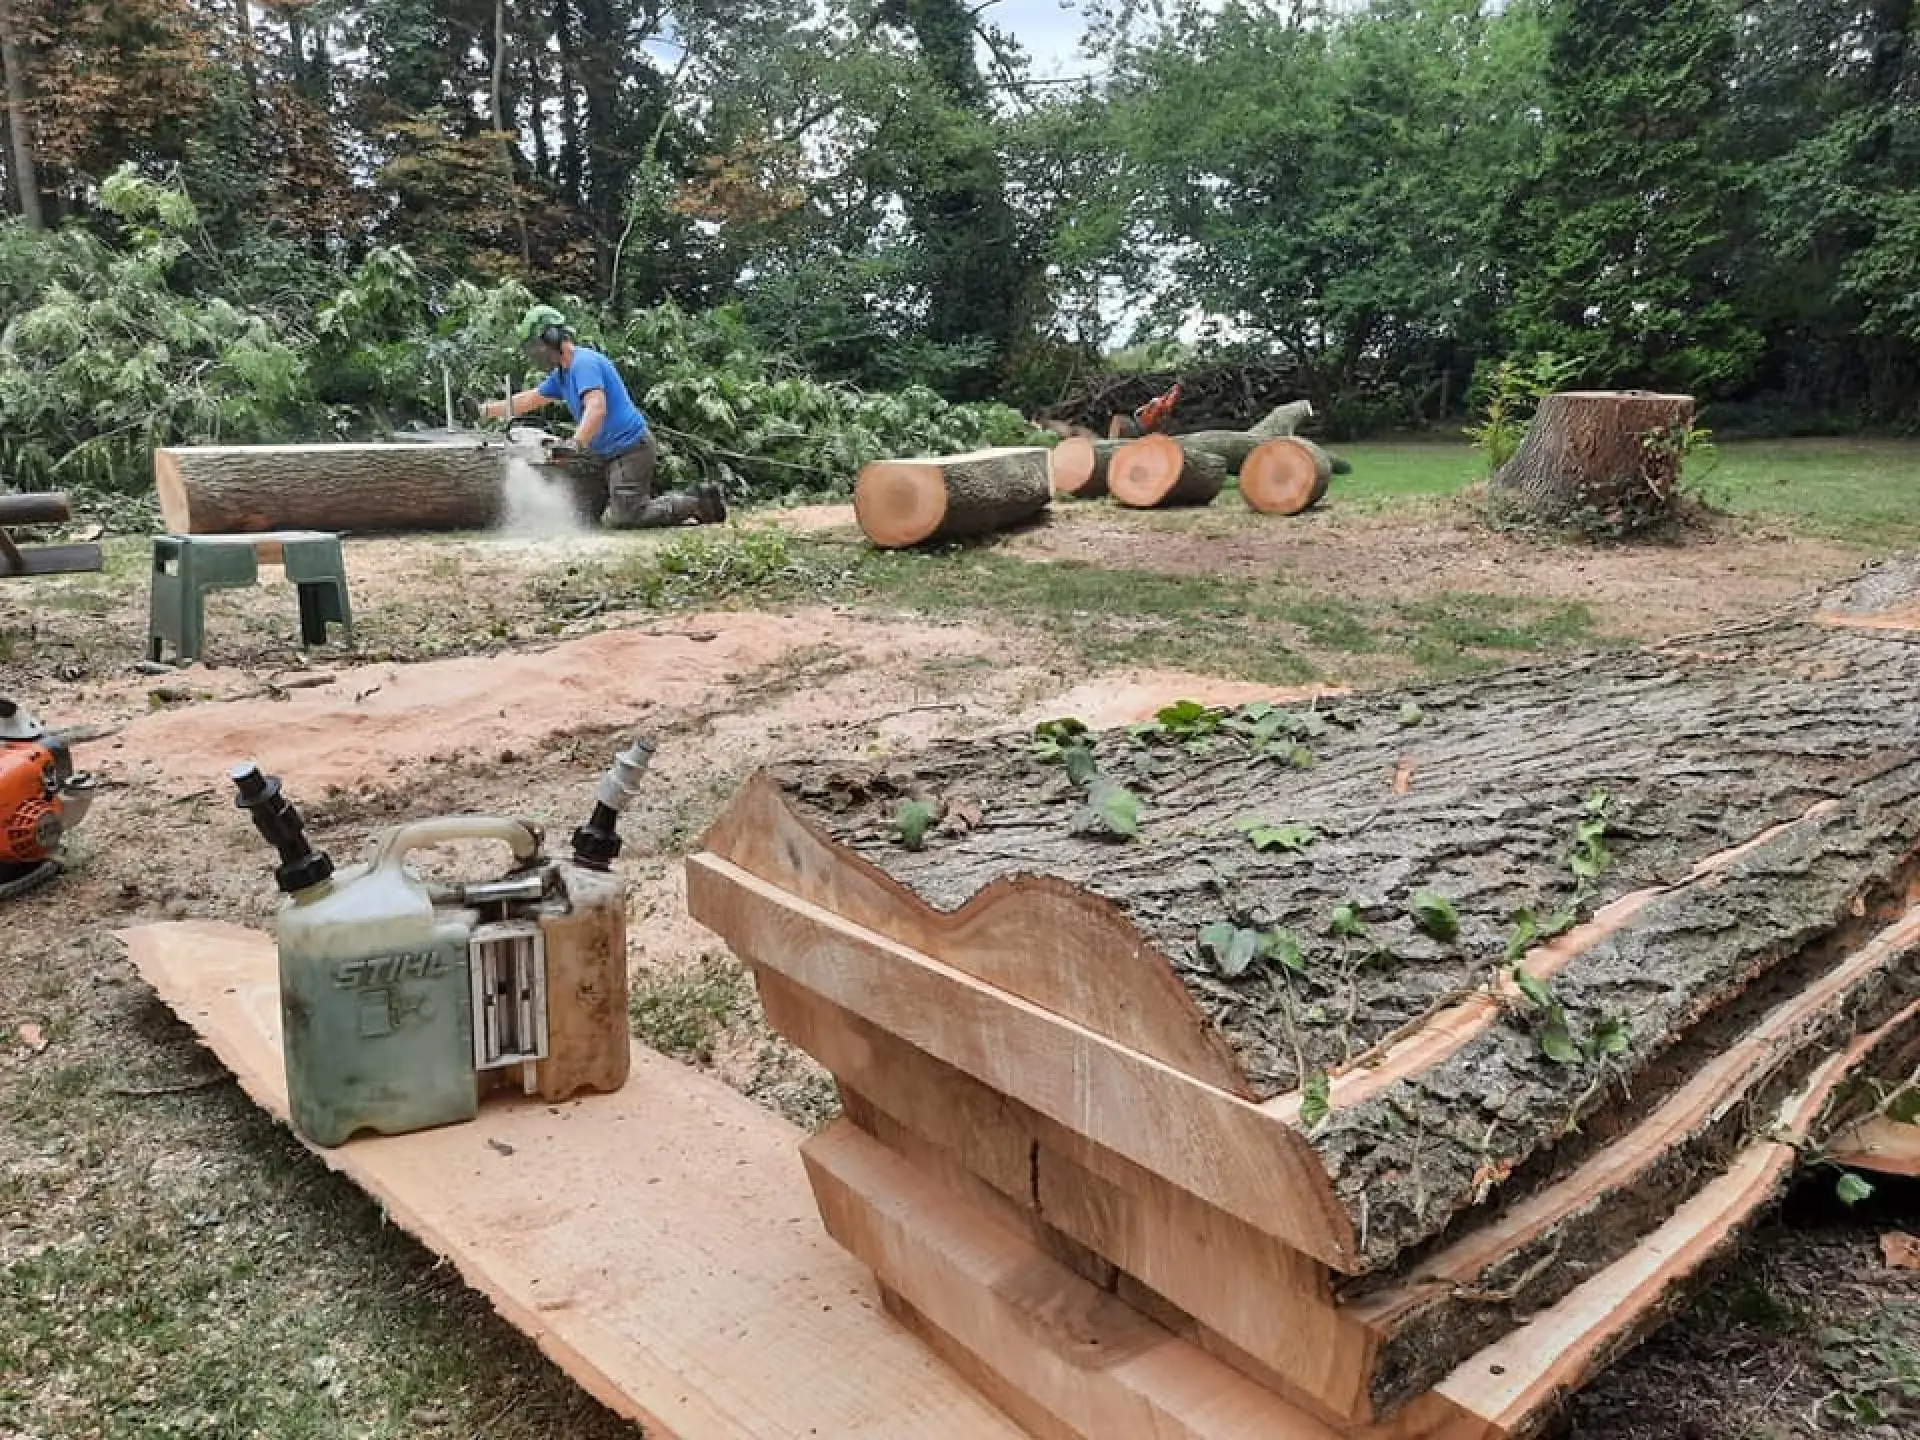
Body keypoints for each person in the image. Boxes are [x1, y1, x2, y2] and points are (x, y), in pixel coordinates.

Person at [481, 305, 726, 528]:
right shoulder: (563, 374)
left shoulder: (583, 364)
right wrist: (486, 410)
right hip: (603, 452)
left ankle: (697, 501)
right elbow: (530, 399)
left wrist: (575, 444)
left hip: (629, 449)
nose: (536, 354)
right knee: (591, 507)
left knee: (627, 517)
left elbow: (596, 408)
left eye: (538, 346)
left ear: (552, 338)